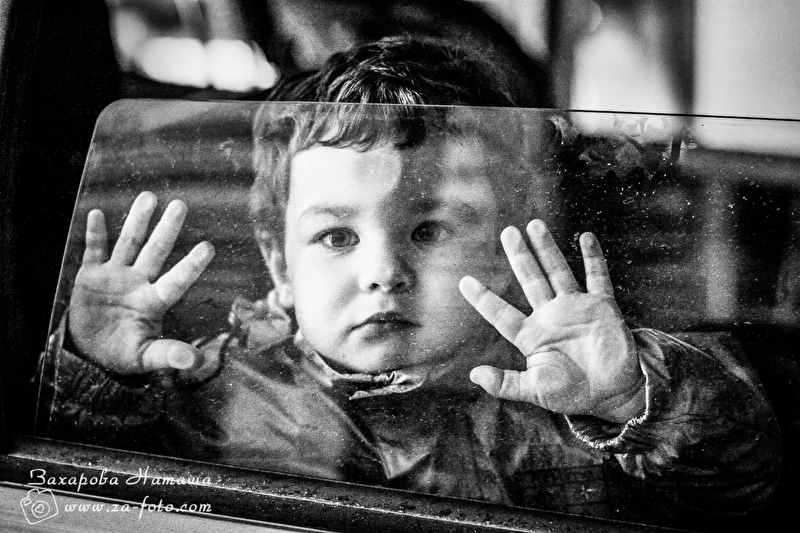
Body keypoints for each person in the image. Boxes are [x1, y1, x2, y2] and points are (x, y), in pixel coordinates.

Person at [36, 37, 781, 527]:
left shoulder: (570, 391)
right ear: (279, 263)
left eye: (430, 231)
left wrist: (630, 398)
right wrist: (96, 372)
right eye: (336, 237)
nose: (383, 273)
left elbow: (742, 490)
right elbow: (70, 504)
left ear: (506, 248)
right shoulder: (212, 391)